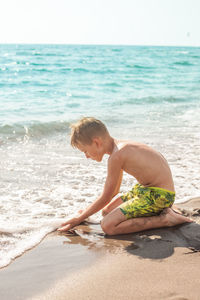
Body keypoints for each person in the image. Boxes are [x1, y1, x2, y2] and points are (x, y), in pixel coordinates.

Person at [58, 117, 192, 235]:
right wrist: (86, 213)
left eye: (85, 151)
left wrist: (79, 219)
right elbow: (114, 192)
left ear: (97, 142)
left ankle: (165, 220)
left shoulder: (117, 156)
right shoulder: (120, 148)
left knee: (108, 226)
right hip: (146, 190)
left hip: (159, 195)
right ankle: (166, 210)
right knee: (106, 212)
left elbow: (107, 196)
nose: (86, 156)